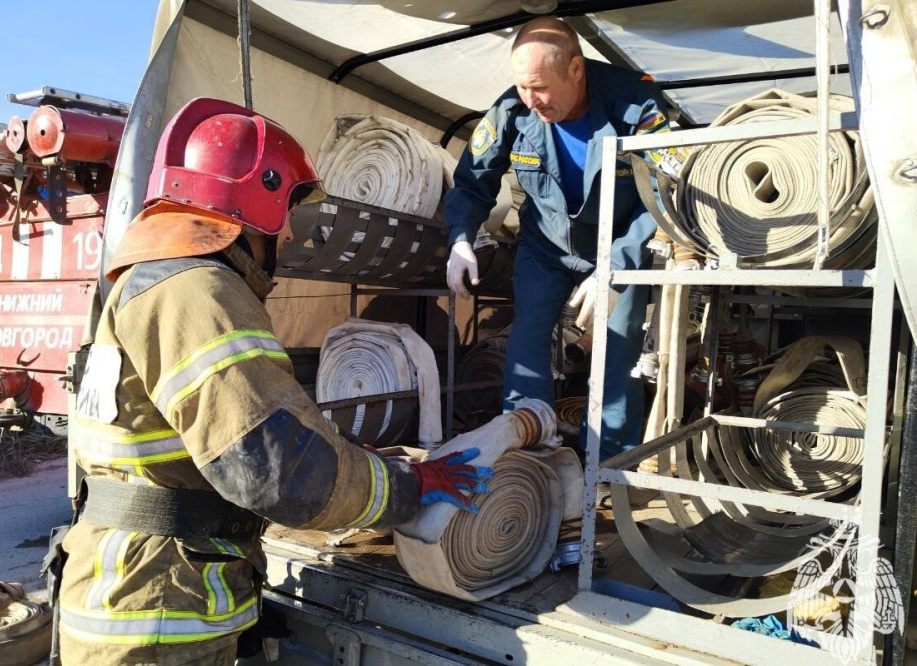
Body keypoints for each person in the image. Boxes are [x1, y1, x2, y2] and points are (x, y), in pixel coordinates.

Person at [56, 98, 492, 666]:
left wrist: (347, 454)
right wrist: (409, 485)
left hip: (145, 594)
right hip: (158, 613)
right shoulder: (198, 291)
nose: (288, 232)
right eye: (286, 208)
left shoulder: (153, 283)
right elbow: (279, 468)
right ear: (252, 199)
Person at [444, 17, 678, 461]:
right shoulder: (514, 108)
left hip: (620, 242)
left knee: (614, 350)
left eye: (540, 88)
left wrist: (618, 262)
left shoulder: (636, 104)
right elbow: (473, 179)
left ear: (575, 70)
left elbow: (668, 194)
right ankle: (526, 456)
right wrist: (460, 238)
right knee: (526, 348)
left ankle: (609, 470)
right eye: (522, 87)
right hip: (545, 247)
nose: (530, 101)